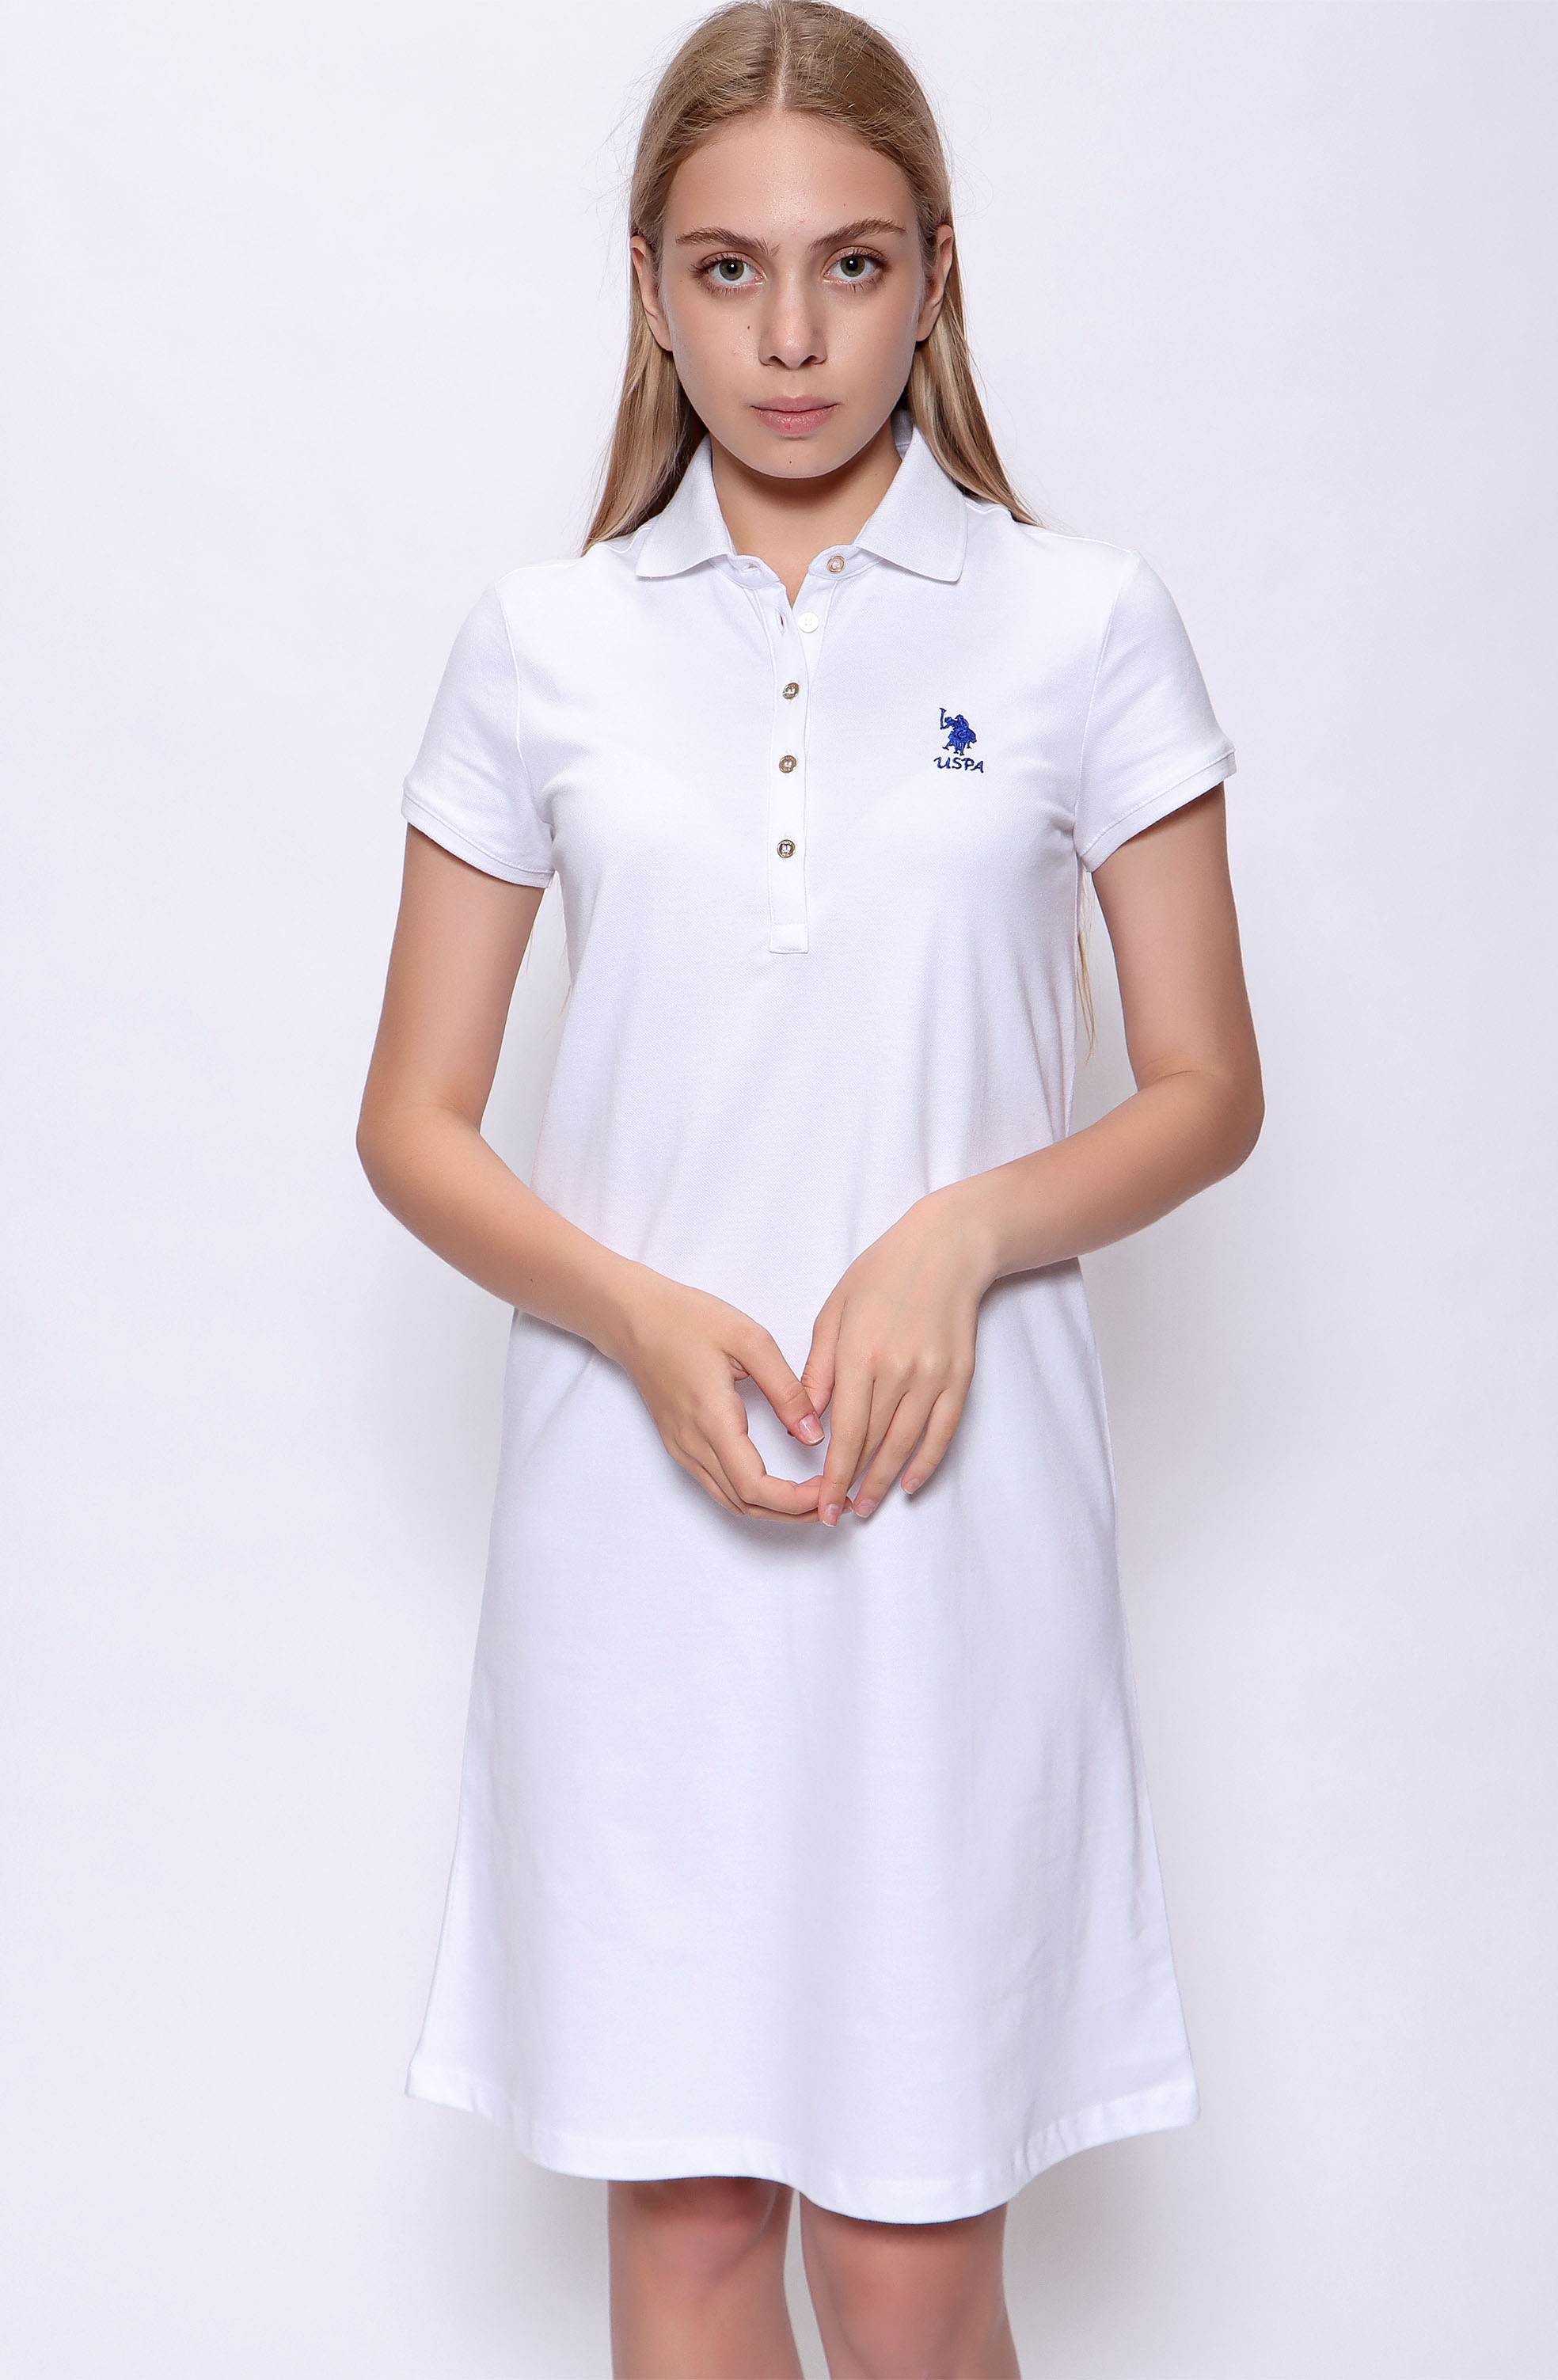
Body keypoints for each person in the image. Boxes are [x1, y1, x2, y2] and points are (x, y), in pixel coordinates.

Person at [356, 2, 1264, 2370]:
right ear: (648, 287)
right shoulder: (540, 645)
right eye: (729, 268)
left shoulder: (1081, 623)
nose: (790, 336)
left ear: (935, 273)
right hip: (631, 1522)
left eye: (850, 265)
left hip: (952, 1523)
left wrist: (964, 1231)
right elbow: (413, 1121)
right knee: (681, 2227)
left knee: (904, 2251)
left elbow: (1204, 1085)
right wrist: (639, 1315)